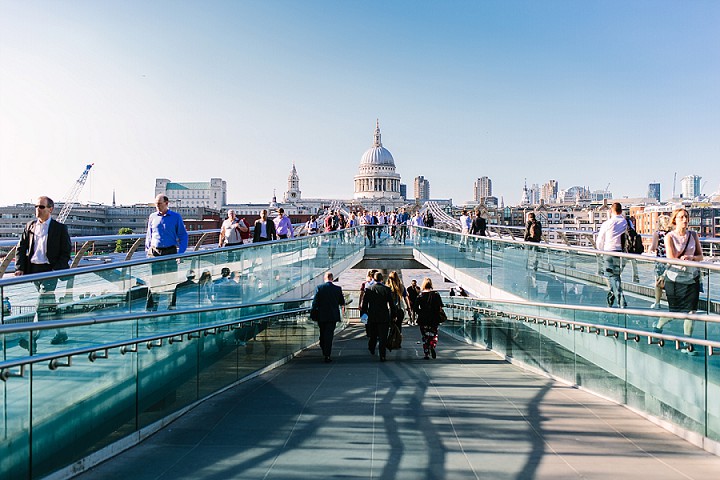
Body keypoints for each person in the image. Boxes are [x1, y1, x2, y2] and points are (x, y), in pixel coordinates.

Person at [15, 196, 71, 347]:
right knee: (50, 304)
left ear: (50, 209)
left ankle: (32, 338)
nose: (37, 209)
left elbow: (66, 252)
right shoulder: (30, 226)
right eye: (36, 206)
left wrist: (55, 270)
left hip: (50, 270)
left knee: (41, 305)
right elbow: (20, 248)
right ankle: (61, 333)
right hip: (34, 270)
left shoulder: (59, 228)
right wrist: (20, 268)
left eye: (41, 207)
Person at [652, 208, 703, 354]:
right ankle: (658, 326)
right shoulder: (670, 236)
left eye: (686, 217)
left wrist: (692, 258)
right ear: (675, 220)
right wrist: (682, 260)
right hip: (675, 279)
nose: (685, 220)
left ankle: (688, 344)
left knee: (691, 312)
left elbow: (700, 256)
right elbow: (670, 257)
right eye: (681, 217)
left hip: (692, 278)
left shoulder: (693, 235)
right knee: (675, 312)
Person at [595, 202, 627, 308]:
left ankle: (620, 300)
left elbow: (600, 241)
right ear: (621, 211)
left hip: (609, 251)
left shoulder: (608, 223)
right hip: (623, 253)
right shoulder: (626, 222)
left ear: (611, 211)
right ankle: (613, 295)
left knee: (612, 276)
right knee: (616, 276)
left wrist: (600, 251)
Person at [360, 271, 396, 361]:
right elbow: (392, 304)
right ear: (382, 279)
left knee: (373, 335)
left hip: (372, 316)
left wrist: (364, 314)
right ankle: (382, 355)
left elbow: (365, 304)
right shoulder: (387, 290)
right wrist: (393, 315)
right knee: (383, 337)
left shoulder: (369, 289)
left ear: (374, 279)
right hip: (384, 316)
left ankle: (371, 347)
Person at [310, 272, 346, 363]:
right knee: (329, 335)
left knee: (322, 332)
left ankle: (322, 345)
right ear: (332, 278)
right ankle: (327, 354)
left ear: (324, 278)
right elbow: (341, 301)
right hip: (333, 315)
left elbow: (315, 302)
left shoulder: (319, 288)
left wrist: (313, 313)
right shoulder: (338, 289)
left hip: (321, 315)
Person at [413, 277, 443, 360]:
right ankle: (432, 344)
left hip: (423, 318)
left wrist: (420, 312)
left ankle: (426, 353)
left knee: (425, 335)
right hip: (434, 318)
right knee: (434, 334)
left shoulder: (420, 295)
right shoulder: (436, 294)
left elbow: (415, 308)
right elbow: (440, 307)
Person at [649, 214, 671, 309]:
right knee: (670, 284)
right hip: (671, 261)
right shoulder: (672, 234)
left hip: (660, 261)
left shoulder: (657, 234)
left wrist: (650, 248)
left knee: (658, 283)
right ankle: (671, 304)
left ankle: (657, 303)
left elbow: (653, 247)